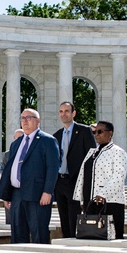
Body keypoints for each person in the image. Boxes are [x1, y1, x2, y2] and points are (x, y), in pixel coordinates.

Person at [0, 108, 60, 244]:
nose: (25, 121)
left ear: (37, 121)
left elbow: (53, 168)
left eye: (29, 118)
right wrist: (6, 194)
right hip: (17, 194)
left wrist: (48, 191)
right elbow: (10, 169)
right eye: (22, 118)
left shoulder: (48, 141)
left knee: (39, 233)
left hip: (37, 194)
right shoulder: (16, 144)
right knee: (17, 234)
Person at [72, 121, 127, 239]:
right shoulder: (92, 152)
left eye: (100, 132)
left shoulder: (117, 152)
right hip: (90, 202)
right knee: (92, 235)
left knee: (111, 236)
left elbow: (118, 176)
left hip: (109, 202)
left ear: (110, 133)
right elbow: (83, 175)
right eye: (94, 132)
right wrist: (80, 197)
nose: (96, 134)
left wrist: (102, 194)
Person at [53, 101, 95, 238]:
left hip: (76, 180)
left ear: (73, 113)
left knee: (74, 215)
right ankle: (66, 240)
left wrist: (86, 181)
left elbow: (91, 156)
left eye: (66, 111)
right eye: (61, 111)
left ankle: (75, 241)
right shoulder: (56, 135)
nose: (63, 114)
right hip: (60, 181)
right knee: (63, 216)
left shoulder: (84, 131)